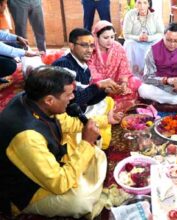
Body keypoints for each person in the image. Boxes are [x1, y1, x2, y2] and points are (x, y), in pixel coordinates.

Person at [0, 66, 107, 217]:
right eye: (69, 95)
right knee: (80, 201)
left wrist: (104, 120)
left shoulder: (34, 99)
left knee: (85, 142)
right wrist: (86, 143)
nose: (72, 98)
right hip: (27, 189)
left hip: (47, 159)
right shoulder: (27, 137)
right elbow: (59, 184)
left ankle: (80, 174)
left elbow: (67, 124)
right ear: (49, 100)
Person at [52, 28, 123, 149]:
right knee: (102, 138)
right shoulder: (64, 65)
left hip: (79, 106)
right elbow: (72, 103)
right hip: (65, 114)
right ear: (71, 45)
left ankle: (104, 120)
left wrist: (106, 91)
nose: (89, 50)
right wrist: (98, 85)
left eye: (91, 45)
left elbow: (88, 99)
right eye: (84, 45)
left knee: (108, 100)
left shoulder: (84, 66)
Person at [88, 20, 141, 111]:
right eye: (106, 37)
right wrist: (107, 86)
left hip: (116, 82)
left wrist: (123, 83)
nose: (110, 41)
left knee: (134, 82)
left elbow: (124, 67)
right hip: (99, 84)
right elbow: (92, 72)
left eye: (112, 37)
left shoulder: (118, 47)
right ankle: (111, 106)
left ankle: (113, 105)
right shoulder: (91, 50)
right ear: (96, 36)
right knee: (92, 92)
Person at [122, 0, 164, 77]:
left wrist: (149, 38)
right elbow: (126, 34)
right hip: (136, 43)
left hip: (151, 42)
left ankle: (153, 73)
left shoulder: (155, 15)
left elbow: (161, 33)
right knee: (128, 43)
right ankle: (132, 74)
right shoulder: (130, 14)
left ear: (149, 4)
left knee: (159, 42)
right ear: (135, 4)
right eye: (139, 2)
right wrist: (138, 37)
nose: (142, 6)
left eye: (145, 3)